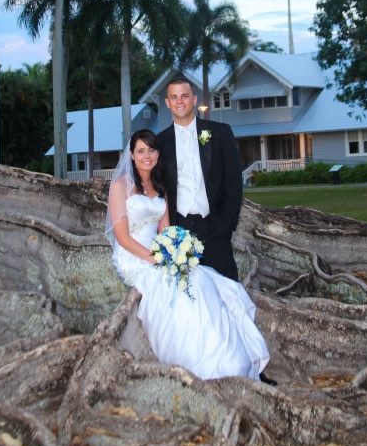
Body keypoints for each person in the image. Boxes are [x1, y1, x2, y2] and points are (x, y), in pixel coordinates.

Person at [106, 129, 270, 381]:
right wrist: (155, 259)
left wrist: (175, 251)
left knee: (206, 281)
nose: (147, 156)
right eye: (141, 151)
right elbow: (123, 237)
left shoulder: (159, 185)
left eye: (151, 150)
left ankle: (230, 362)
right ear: (131, 154)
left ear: (158, 153)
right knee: (180, 297)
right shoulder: (120, 186)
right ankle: (199, 366)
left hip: (161, 253)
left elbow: (166, 230)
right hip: (134, 257)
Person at [155, 77, 243, 281]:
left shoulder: (220, 133)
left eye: (184, 96)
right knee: (186, 293)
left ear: (194, 99)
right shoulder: (160, 142)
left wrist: (224, 225)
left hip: (214, 227)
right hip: (179, 229)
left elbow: (233, 183)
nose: (179, 101)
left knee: (227, 288)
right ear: (167, 103)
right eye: (174, 97)